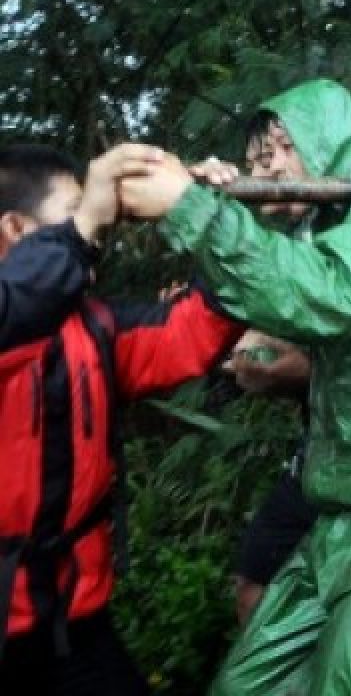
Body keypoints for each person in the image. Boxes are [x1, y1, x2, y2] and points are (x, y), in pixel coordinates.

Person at [118, 79, 351, 695]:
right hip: (344, 511)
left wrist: (193, 208)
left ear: (330, 142)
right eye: (256, 159)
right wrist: (223, 204)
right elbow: (275, 303)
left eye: (280, 150)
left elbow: (320, 295)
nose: (265, 167)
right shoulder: (316, 238)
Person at [0, 143, 242, 695]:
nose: (96, 232)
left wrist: (214, 217)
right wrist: (86, 221)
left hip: (74, 623)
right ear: (15, 228)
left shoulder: (96, 329)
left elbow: (193, 333)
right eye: (71, 214)